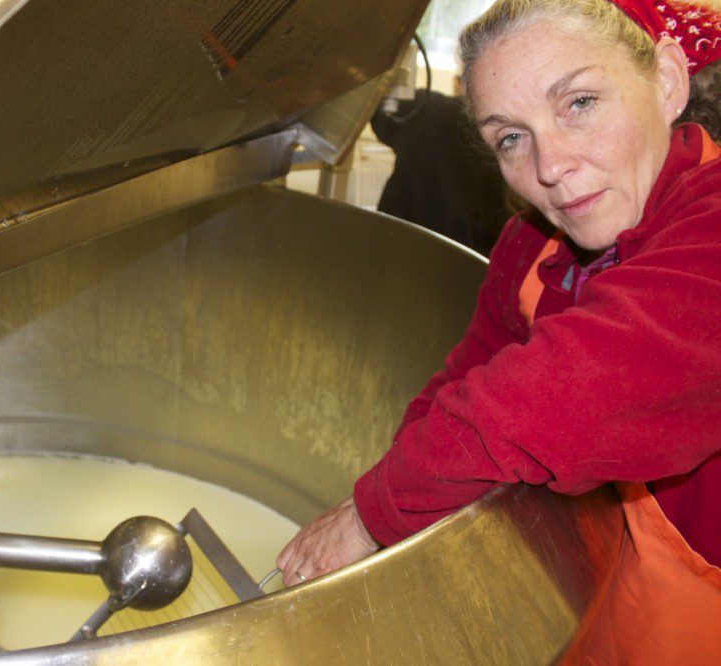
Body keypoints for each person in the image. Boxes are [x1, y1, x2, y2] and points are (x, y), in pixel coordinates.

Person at [278, 0, 721, 659]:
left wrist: (371, 518)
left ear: (666, 80)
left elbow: (562, 397)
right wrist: (382, 529)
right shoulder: (534, 246)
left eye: (579, 103)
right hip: (600, 610)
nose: (550, 166)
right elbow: (461, 384)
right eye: (511, 137)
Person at [371, 86, 511, 256]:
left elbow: (379, 115)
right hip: (468, 253)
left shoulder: (422, 106)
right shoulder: (502, 130)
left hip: (399, 238)